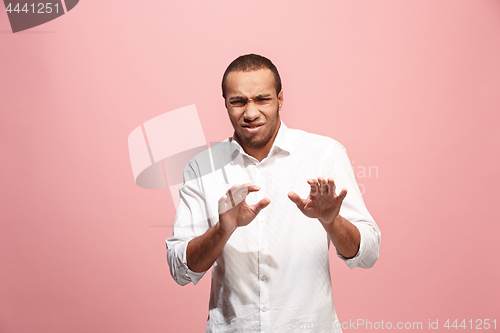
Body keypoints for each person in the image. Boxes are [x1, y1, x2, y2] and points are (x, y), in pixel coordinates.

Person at [166, 54, 381, 333]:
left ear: (280, 99)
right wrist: (223, 230)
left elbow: (368, 254)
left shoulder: (324, 153)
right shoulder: (201, 167)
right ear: (226, 103)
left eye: (262, 99)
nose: (250, 113)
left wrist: (331, 221)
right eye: (238, 101)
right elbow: (180, 269)